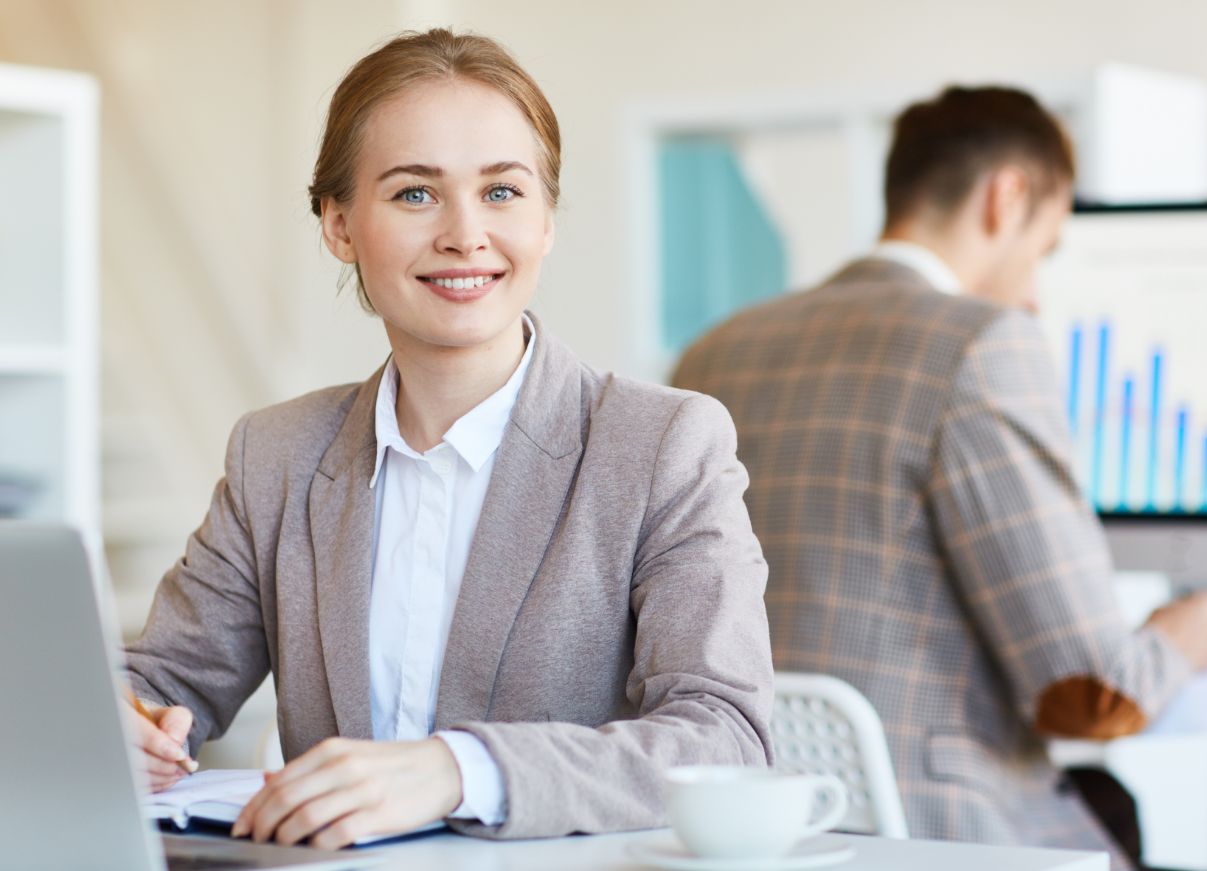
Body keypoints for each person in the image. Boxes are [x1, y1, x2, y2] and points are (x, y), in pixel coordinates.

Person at [122, 28, 772, 848]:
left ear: (545, 222)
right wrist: (116, 717)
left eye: (502, 192)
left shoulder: (662, 445)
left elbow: (727, 735)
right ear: (338, 225)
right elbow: (160, 681)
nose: (465, 234)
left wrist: (457, 768)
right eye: (414, 193)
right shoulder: (276, 454)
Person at [672, 86, 1207, 870]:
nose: (1035, 291)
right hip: (946, 834)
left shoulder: (713, 352)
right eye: (1044, 248)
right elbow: (1089, 691)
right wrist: (1186, 635)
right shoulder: (980, 345)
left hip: (765, 833)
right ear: (1005, 198)